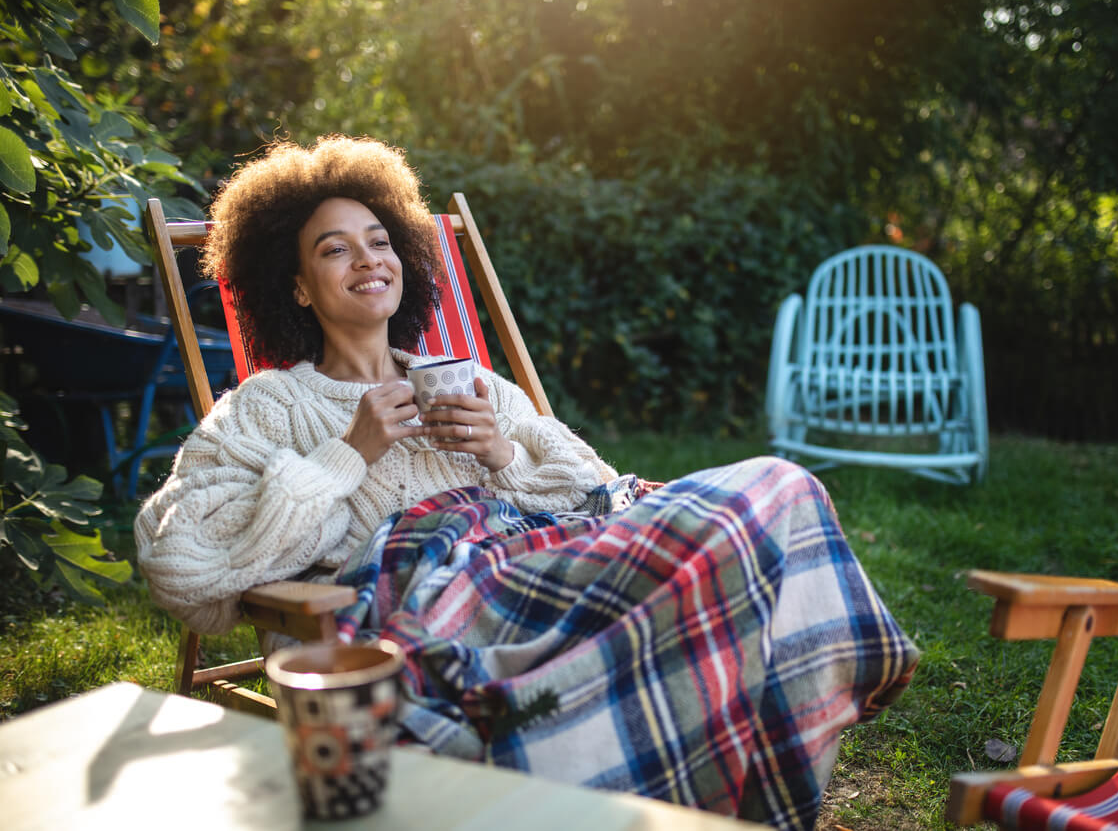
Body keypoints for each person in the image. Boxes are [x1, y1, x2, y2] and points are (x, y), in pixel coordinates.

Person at [135, 135, 917, 831]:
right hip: (429, 598)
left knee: (778, 489)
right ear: (297, 286)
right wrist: (351, 452)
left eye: (379, 240)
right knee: (746, 516)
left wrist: (504, 453)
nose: (368, 258)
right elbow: (183, 566)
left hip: (539, 567)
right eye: (334, 250)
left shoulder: (466, 380)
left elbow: (601, 487)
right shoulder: (270, 405)